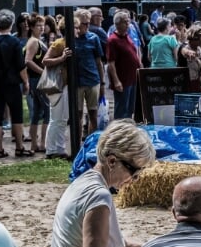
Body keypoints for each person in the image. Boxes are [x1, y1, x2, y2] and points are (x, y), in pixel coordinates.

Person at [51, 120, 157, 247]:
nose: (134, 180)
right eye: (134, 171)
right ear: (112, 161)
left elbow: (114, 245)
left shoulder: (83, 183)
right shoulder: (98, 197)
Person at [43, 9, 106, 138]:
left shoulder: (93, 38)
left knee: (93, 114)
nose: (87, 27)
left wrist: (102, 82)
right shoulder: (68, 40)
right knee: (77, 115)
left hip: (92, 80)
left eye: (88, 23)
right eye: (84, 24)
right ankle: (76, 145)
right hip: (75, 82)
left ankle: (91, 143)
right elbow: (48, 59)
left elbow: (99, 62)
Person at [0, 9, 30, 158]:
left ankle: (0, 149)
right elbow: (20, 66)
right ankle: (19, 147)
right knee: (17, 114)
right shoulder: (14, 41)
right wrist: (26, 81)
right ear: (11, 24)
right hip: (11, 82)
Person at [108, 11, 143, 120]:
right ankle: (119, 131)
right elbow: (111, 63)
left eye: (128, 21)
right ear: (117, 24)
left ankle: (127, 130)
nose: (128, 24)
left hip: (133, 78)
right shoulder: (113, 40)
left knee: (130, 109)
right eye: (125, 22)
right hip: (123, 80)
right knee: (121, 109)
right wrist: (116, 81)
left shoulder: (127, 36)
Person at [24, 14, 49, 153]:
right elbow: (28, 60)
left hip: (36, 79)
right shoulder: (33, 41)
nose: (41, 28)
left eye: (42, 25)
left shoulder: (38, 40)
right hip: (37, 80)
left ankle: (35, 144)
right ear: (32, 27)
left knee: (37, 112)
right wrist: (42, 72)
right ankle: (42, 143)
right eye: (38, 25)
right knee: (47, 111)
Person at [177, 26, 201, 93]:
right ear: (193, 39)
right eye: (200, 40)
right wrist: (188, 52)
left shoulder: (198, 49)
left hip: (198, 85)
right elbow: (183, 51)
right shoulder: (184, 47)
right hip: (187, 86)